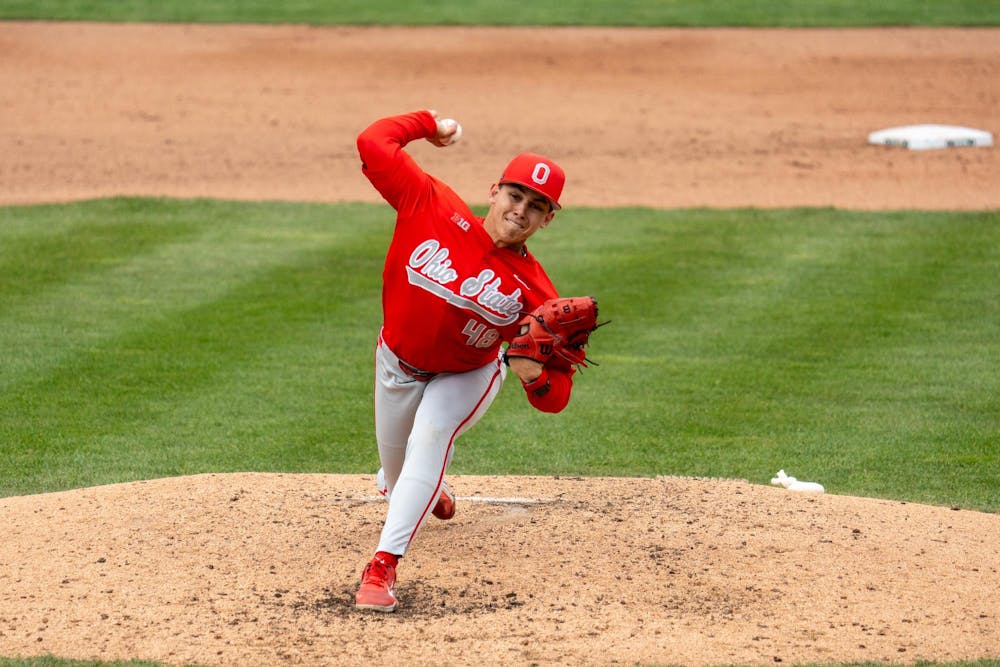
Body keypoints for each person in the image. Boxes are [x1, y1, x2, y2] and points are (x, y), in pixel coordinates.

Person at [353, 109, 581, 612]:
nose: (521, 210)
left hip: (466, 374)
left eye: (537, 206)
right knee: (396, 480)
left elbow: (557, 398)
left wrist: (534, 376)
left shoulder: (538, 295)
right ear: (495, 190)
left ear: (548, 219)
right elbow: (372, 143)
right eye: (516, 195)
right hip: (395, 362)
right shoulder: (430, 204)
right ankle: (426, 491)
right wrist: (428, 124)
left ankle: (381, 569)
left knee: (431, 436)